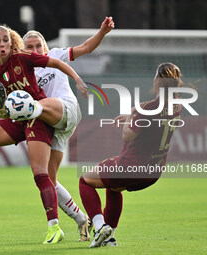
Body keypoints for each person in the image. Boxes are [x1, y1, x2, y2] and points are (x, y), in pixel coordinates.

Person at [0, 24, 88, 245]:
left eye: (5, 39)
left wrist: (77, 79)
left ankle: (54, 227)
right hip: (17, 120)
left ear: (11, 41)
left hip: (38, 118)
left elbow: (56, 62)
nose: (2, 43)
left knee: (40, 173)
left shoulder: (24, 57)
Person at [19, 17, 115, 242]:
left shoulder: (55, 56)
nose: (35, 50)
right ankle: (82, 219)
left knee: (32, 107)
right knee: (47, 179)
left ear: (45, 46)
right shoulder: (23, 70)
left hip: (67, 110)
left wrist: (102, 32)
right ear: (24, 50)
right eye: (30, 47)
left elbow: (85, 48)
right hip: (54, 125)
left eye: (38, 45)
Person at [78, 62, 183, 248]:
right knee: (114, 188)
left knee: (85, 181)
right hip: (153, 171)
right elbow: (153, 119)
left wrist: (132, 116)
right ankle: (109, 237)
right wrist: (133, 113)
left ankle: (100, 226)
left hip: (131, 166)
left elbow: (128, 136)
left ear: (157, 80)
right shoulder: (177, 106)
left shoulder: (148, 108)